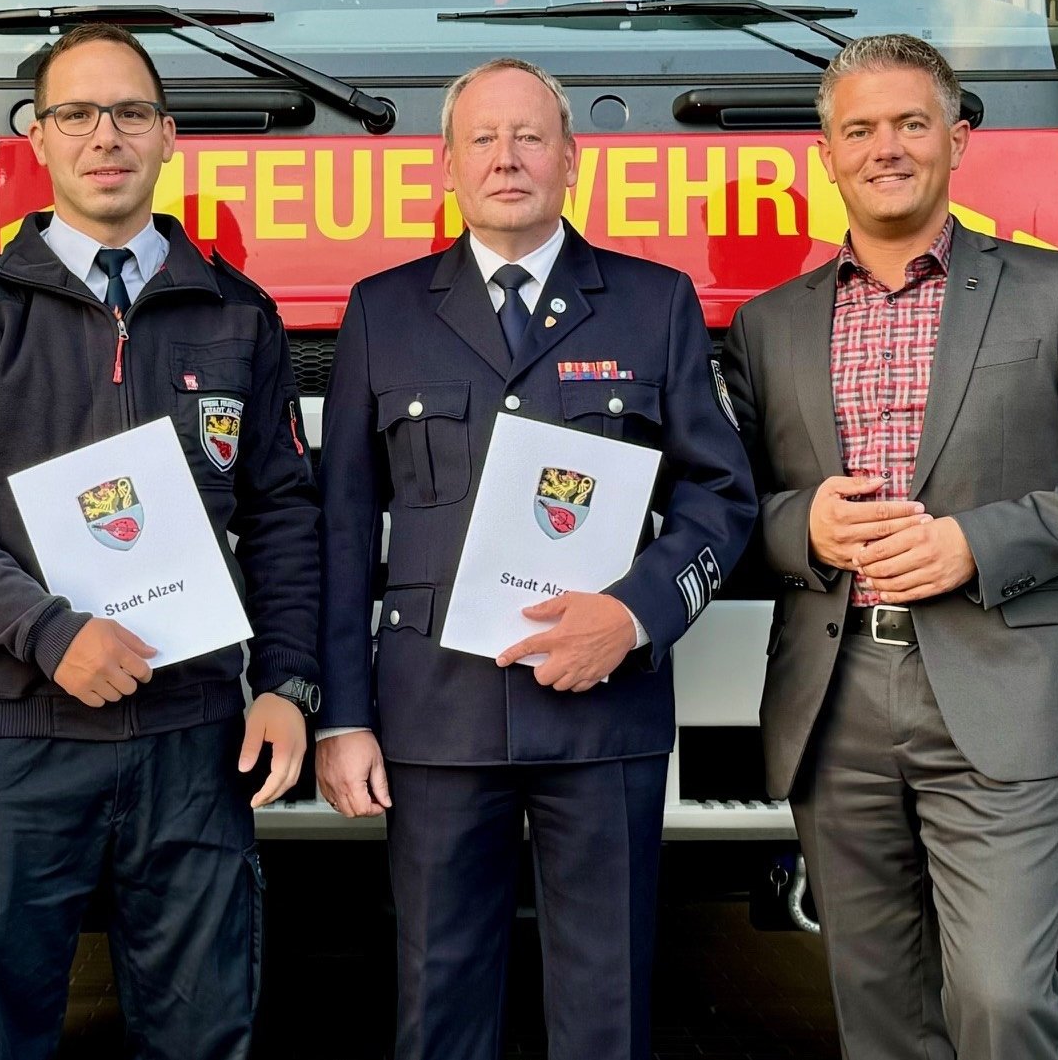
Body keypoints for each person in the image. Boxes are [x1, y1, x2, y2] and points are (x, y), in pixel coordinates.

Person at [718, 34, 1058, 1060]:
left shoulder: (1056, 291)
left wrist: (979, 544)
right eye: (860, 129)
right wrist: (806, 526)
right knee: (878, 1013)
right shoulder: (768, 327)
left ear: (957, 140)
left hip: (996, 689)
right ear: (828, 154)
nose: (885, 148)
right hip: (832, 700)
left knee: (1000, 999)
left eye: (910, 124)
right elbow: (724, 508)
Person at [0, 23, 322, 1060]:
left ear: (168, 136)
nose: (103, 135)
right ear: (38, 136)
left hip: (193, 738)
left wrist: (288, 688)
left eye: (129, 113)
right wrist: (46, 631)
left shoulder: (238, 319)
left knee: (204, 1034)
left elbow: (289, 518)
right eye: (76, 112)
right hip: (20, 739)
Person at [313, 57, 756, 1060]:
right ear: (446, 165)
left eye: (529, 137)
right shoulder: (383, 312)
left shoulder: (654, 303)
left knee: (609, 1012)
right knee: (440, 1008)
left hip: (602, 714)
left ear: (571, 160)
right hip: (437, 717)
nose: (506, 158)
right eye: (483, 138)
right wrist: (343, 716)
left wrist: (637, 612)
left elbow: (721, 495)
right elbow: (343, 528)